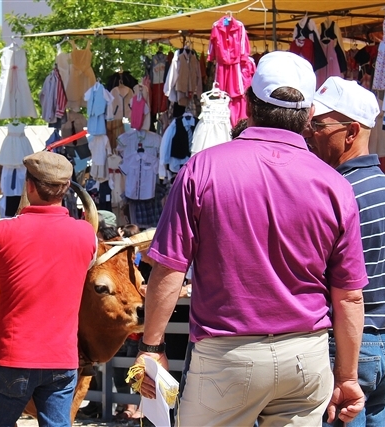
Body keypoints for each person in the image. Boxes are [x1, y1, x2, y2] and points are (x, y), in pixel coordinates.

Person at [135, 52, 367, 426]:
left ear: (248, 101)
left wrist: (151, 347)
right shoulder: (335, 185)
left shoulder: (203, 168)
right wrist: (348, 376)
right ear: (308, 114)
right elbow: (350, 295)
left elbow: (170, 268)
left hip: (227, 357)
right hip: (305, 357)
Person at [0, 151, 97, 427]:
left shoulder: (1, 232)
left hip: (14, 357)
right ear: (66, 187)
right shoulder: (86, 235)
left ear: (29, 186)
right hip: (62, 359)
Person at [307, 76, 385, 427]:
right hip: (382, 346)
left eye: (319, 124)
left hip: (346, 347)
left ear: (350, 132)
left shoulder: (339, 192)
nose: (310, 132)